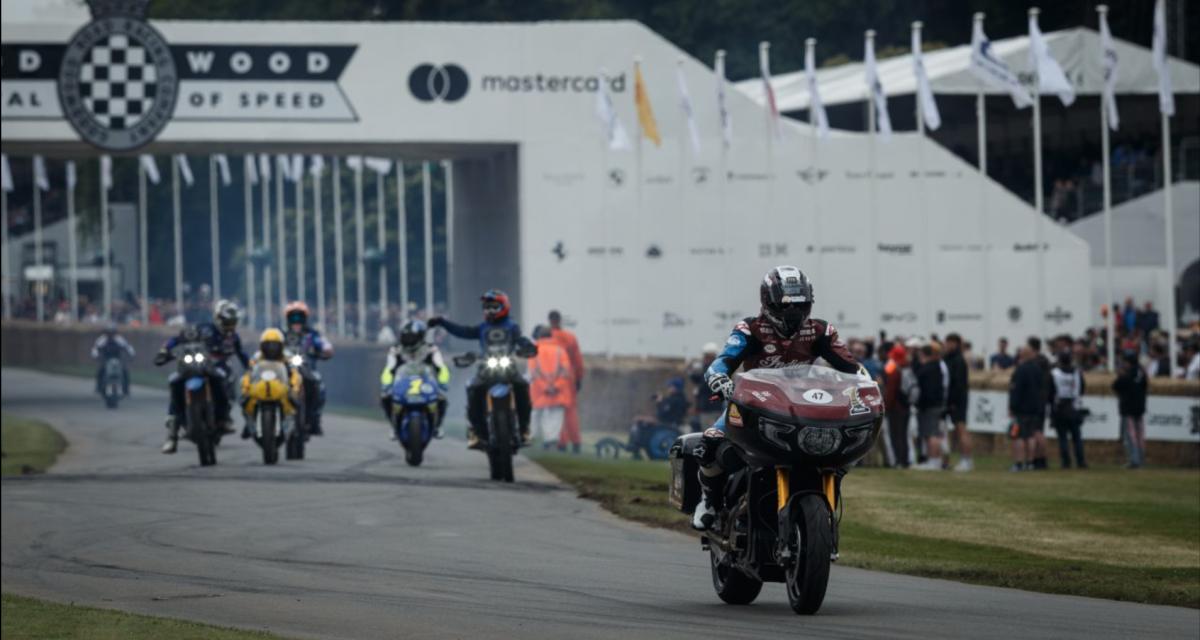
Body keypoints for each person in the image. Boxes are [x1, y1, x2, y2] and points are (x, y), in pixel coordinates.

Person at [692, 266, 859, 530]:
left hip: (801, 408)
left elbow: (852, 367)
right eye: (785, 306)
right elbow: (722, 362)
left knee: (837, 453)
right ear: (768, 303)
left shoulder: (821, 331)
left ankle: (822, 514)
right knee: (708, 445)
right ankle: (709, 500)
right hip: (752, 405)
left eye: (800, 305)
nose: (793, 313)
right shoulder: (749, 329)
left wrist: (868, 384)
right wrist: (719, 379)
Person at [430, 290, 535, 449]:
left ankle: (524, 429)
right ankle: (475, 431)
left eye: (494, 306)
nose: (490, 310)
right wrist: (443, 322)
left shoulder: (512, 326)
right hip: (486, 367)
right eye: (487, 307)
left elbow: (521, 340)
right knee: (472, 388)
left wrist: (528, 348)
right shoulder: (483, 327)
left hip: (508, 367)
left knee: (523, 386)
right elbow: (463, 331)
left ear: (504, 306)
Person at [154, 300, 249, 454]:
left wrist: (250, 367)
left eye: (233, 322)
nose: (230, 326)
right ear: (218, 319)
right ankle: (172, 435)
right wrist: (165, 351)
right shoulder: (203, 329)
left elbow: (242, 354)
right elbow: (178, 338)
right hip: (195, 365)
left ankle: (224, 418)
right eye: (227, 322)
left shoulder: (234, 337)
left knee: (226, 381)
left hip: (219, 367)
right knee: (175, 382)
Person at [379, 319, 450, 439]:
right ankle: (394, 426)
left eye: (411, 337)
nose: (408, 340)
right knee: (386, 397)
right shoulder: (395, 350)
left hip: (425, 382)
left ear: (421, 336)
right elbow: (389, 368)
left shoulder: (431, 349)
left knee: (441, 398)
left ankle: (437, 426)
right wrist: (387, 384)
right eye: (406, 336)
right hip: (403, 382)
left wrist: (443, 382)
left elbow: (441, 367)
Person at [281, 301, 334, 437]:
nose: (296, 321)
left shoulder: (312, 335)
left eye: (300, 317)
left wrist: (326, 350)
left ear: (305, 319)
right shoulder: (281, 335)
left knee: (319, 385)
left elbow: (324, 344)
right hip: (286, 370)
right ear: (288, 319)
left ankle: (314, 419)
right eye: (293, 317)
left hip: (308, 369)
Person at [239, 328, 302, 431]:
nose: (272, 349)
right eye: (268, 345)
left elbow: (294, 373)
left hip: (281, 387)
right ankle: (249, 422)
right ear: (262, 346)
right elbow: (249, 373)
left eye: (275, 345)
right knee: (245, 387)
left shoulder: (287, 356)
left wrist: (294, 389)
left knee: (298, 378)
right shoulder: (257, 356)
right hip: (261, 387)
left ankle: (292, 419)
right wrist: (246, 390)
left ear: (281, 345)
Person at [526, 325, 575, 450]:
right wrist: (556, 386)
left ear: (539, 336)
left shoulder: (533, 350)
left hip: (538, 392)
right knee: (555, 416)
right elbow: (565, 371)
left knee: (535, 415)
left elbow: (533, 372)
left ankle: (530, 439)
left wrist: (544, 387)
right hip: (558, 392)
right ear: (551, 336)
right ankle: (550, 441)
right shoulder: (560, 350)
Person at [548, 310, 584, 452]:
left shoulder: (546, 338)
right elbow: (577, 361)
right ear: (560, 320)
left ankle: (561, 443)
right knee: (570, 412)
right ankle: (576, 442)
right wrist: (579, 378)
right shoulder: (570, 337)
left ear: (550, 320)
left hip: (552, 378)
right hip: (569, 378)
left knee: (556, 412)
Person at [1007, 345, 1046, 471]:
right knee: (1031, 436)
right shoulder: (1038, 370)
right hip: (1034, 408)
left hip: (1021, 409)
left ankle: (1018, 463)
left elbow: (1015, 390)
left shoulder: (1020, 370)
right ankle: (1030, 462)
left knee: (1017, 436)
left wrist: (1012, 406)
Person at [1049, 351, 1088, 469]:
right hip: (1074, 406)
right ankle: (1081, 461)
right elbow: (1082, 388)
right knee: (1077, 437)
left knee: (1062, 437)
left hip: (1060, 407)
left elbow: (1050, 391)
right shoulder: (1076, 373)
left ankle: (1066, 462)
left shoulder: (1054, 373)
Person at [912, 345, 946, 471]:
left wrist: (921, 404)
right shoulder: (936, 367)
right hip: (935, 404)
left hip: (929, 406)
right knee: (933, 434)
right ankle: (935, 460)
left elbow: (926, 390)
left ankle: (933, 461)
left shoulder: (927, 369)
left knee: (931, 434)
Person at [942, 333, 973, 471]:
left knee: (961, 430)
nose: (946, 345)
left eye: (949, 343)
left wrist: (953, 402)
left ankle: (966, 460)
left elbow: (959, 384)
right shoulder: (948, 359)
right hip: (951, 400)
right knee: (954, 431)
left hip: (958, 401)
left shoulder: (959, 361)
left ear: (955, 344)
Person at [1112, 353, 1148, 468]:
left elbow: (1115, 386)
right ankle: (1140, 459)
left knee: (1131, 437)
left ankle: (1134, 461)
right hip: (1140, 408)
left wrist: (1119, 376)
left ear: (1128, 363)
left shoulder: (1127, 375)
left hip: (1128, 409)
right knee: (1140, 436)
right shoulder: (1142, 373)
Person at [883, 344, 915, 468]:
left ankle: (899, 461)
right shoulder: (907, 368)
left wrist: (886, 407)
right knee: (903, 434)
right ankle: (905, 460)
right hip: (905, 406)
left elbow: (890, 392)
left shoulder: (895, 371)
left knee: (896, 435)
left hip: (895, 408)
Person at [687, 343, 724, 433]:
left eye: (706, 356)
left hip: (711, 408)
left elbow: (704, 386)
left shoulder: (714, 369)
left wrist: (697, 391)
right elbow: (699, 380)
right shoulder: (708, 368)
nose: (704, 358)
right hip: (707, 407)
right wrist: (691, 373)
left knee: (709, 432)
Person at [91, 323, 135, 397]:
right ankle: (98, 387)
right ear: (106, 332)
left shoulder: (119, 339)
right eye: (109, 332)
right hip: (106, 359)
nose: (110, 334)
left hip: (117, 359)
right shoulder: (102, 339)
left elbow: (128, 347)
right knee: (100, 371)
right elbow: (95, 348)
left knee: (125, 371)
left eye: (112, 332)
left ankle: (126, 389)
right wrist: (95, 356)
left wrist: (131, 355)